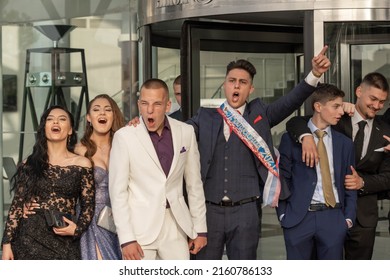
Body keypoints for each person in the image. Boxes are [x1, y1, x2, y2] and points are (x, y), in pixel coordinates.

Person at [185, 46, 330, 260]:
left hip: (246, 211)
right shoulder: (205, 116)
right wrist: (142, 124)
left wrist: (315, 74)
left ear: (250, 89)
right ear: (224, 85)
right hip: (209, 211)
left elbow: (291, 101)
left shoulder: (260, 113)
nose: (236, 86)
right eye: (232, 80)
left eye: (242, 82)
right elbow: (178, 133)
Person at [286, 72, 390, 259]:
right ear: (359, 91)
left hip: (364, 217)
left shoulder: (386, 130)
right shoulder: (337, 116)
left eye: (382, 102)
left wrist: (363, 183)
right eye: (373, 99)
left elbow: (388, 177)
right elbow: (297, 122)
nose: (377, 106)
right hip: (328, 214)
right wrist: (306, 136)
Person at [109, 78, 207, 260]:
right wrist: (127, 239)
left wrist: (200, 228)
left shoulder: (186, 132)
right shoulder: (125, 137)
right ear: (138, 104)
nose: (150, 110)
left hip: (177, 226)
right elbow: (117, 192)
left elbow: (194, 184)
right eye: (144, 103)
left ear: (168, 105)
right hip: (139, 229)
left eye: (157, 104)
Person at [1, 105, 95, 260]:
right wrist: (6, 244)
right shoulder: (29, 164)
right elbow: (17, 205)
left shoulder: (82, 163)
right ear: (44, 128)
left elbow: (88, 205)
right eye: (50, 119)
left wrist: (77, 229)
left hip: (65, 242)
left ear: (70, 130)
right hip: (28, 239)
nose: (55, 122)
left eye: (62, 119)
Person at [277, 84, 357, 259]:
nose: (340, 112)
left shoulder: (345, 144)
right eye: (335, 106)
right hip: (298, 218)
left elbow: (349, 182)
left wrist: (347, 219)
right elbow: (283, 178)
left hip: (333, 218)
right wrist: (283, 214)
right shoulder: (291, 139)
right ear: (318, 107)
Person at [75, 94, 125, 260]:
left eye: (107, 109)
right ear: (89, 118)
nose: (102, 113)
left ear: (113, 116)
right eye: (96, 110)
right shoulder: (78, 150)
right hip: (91, 221)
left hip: (121, 219)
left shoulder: (124, 145)